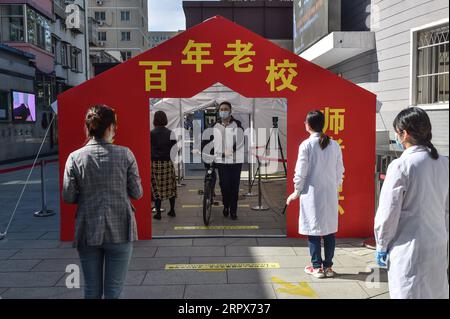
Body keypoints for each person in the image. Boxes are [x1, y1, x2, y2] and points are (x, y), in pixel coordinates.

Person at [62, 104, 143, 299]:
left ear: (88, 127)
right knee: (114, 291)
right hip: (120, 229)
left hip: (87, 229)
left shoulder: (74, 157)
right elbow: (137, 193)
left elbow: (68, 196)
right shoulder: (126, 154)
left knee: (91, 290)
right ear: (110, 128)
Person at [374, 107, 449, 299]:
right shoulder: (444, 163)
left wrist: (381, 245)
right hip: (437, 244)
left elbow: (388, 213)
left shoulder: (401, 166)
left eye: (398, 133)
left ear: (404, 133)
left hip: (408, 248)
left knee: (409, 292)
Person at [286, 110, 344, 278]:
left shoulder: (306, 145)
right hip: (330, 192)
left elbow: (300, 171)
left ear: (309, 125)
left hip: (312, 193)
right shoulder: (334, 144)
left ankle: (317, 267)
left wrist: (296, 190)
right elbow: (340, 170)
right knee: (329, 230)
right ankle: (329, 267)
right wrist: (335, 185)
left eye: (305, 121)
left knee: (313, 229)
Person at [212, 101, 244, 220]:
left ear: (230, 111)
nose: (223, 111)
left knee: (234, 187)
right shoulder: (215, 125)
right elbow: (210, 141)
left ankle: (233, 210)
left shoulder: (237, 125)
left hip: (235, 162)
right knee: (224, 186)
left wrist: (231, 150)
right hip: (221, 162)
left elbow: (241, 141)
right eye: (221, 109)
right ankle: (226, 206)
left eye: (226, 109)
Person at [151, 110, 177, 220]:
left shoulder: (151, 133)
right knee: (171, 186)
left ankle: (158, 213)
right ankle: (172, 210)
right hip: (168, 163)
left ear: (155, 120)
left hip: (155, 164)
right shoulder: (171, 133)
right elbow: (175, 149)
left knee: (157, 188)